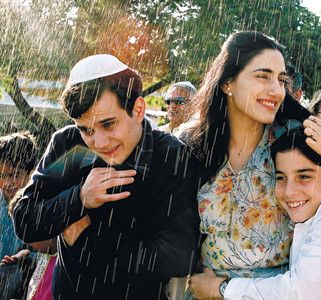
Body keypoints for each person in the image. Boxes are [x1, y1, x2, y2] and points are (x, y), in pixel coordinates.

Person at [184, 31, 321, 290]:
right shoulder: (191, 142)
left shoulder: (298, 138)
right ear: (228, 82)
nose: (276, 90)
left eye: (281, 79)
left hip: (283, 290)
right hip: (202, 290)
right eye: (263, 76)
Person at [12, 54, 201, 299]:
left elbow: (179, 255)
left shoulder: (170, 156)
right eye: (86, 130)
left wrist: (87, 241)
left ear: (138, 109)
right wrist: (79, 198)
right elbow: (25, 220)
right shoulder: (71, 146)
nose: (99, 143)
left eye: (108, 124)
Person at [188, 127, 321, 299]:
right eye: (281, 178)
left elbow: (297, 292)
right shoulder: (307, 222)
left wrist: (221, 289)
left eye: (304, 177)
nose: (289, 191)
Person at [0, 132, 38, 299]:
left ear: (31, 172)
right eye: (2, 175)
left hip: (20, 286)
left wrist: (27, 257)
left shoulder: (37, 206)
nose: (7, 184)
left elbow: (50, 250)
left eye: (15, 175)